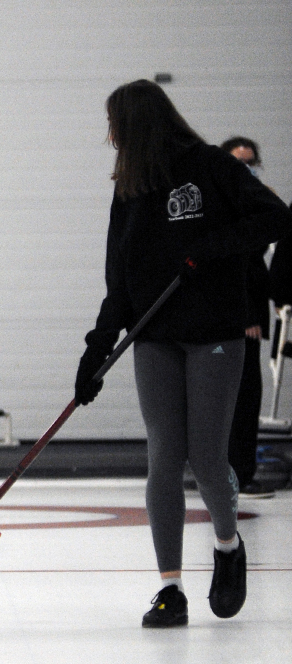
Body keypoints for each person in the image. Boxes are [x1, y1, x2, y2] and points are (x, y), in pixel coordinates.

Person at [74, 80, 292, 628]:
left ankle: (227, 546)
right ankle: (170, 588)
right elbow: (118, 282)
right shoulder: (129, 191)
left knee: (208, 458)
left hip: (214, 332)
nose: (110, 137)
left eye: (115, 125)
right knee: (164, 458)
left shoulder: (211, 166)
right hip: (156, 338)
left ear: (137, 124)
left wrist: (210, 249)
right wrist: (96, 352)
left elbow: (276, 217)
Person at [218, 137, 274, 498]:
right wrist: (248, 314)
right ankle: (235, 471)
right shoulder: (224, 203)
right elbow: (237, 264)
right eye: (240, 162)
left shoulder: (254, 199)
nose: (248, 167)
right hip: (235, 316)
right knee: (237, 397)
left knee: (245, 396)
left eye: (252, 161)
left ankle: (239, 470)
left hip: (245, 313)